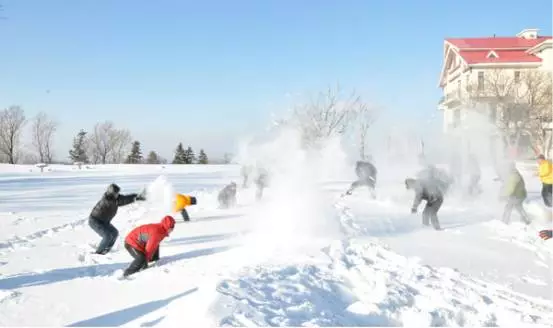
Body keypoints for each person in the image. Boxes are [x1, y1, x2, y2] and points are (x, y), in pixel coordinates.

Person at [89, 183, 146, 255]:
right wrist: (136, 198)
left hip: (104, 221)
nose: (118, 195)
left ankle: (106, 250)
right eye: (116, 193)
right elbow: (123, 201)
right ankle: (98, 253)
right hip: (95, 221)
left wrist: (137, 196)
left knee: (115, 233)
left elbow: (125, 198)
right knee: (107, 236)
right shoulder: (107, 201)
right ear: (111, 193)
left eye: (118, 193)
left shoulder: (115, 198)